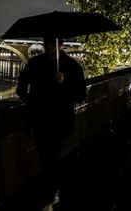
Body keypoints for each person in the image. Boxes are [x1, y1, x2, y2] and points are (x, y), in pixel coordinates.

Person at [16, 36, 86, 207]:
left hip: (60, 119)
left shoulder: (72, 66)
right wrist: (29, 100)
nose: (47, 47)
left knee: (51, 156)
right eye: (45, 43)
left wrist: (64, 82)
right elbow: (21, 88)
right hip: (39, 118)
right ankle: (50, 190)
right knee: (45, 155)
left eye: (50, 43)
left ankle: (50, 192)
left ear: (60, 44)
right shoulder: (34, 63)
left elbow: (80, 96)